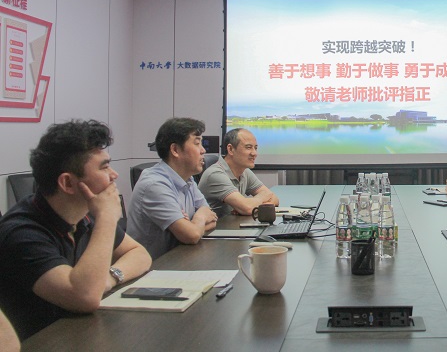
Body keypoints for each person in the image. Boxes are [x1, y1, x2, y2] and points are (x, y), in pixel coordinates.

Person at [0, 120, 151, 339]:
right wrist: (107, 218)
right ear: (68, 183)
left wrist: (109, 278)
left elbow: (139, 253)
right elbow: (85, 297)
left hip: (78, 335)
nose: (114, 175)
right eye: (104, 167)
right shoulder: (21, 232)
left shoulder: (85, 214)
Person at [127, 117, 219, 260]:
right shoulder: (154, 184)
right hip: (153, 268)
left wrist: (193, 224)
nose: (203, 150)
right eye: (197, 143)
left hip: (179, 259)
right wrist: (200, 218)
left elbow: (211, 219)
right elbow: (192, 235)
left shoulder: (188, 179)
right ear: (175, 150)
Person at [198, 128, 279, 217]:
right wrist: (261, 197)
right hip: (216, 225)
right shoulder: (215, 174)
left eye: (255, 148)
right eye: (248, 147)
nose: (254, 153)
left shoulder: (245, 171)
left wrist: (252, 206)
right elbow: (248, 208)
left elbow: (274, 199)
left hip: (232, 224)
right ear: (230, 149)